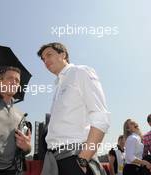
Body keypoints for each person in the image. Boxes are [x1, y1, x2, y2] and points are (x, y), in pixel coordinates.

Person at [37, 42, 110, 175]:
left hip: (75, 158)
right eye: (43, 59)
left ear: (63, 54)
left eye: (49, 55)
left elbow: (100, 116)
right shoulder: (58, 85)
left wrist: (83, 159)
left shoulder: (80, 72)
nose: (45, 60)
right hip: (54, 161)